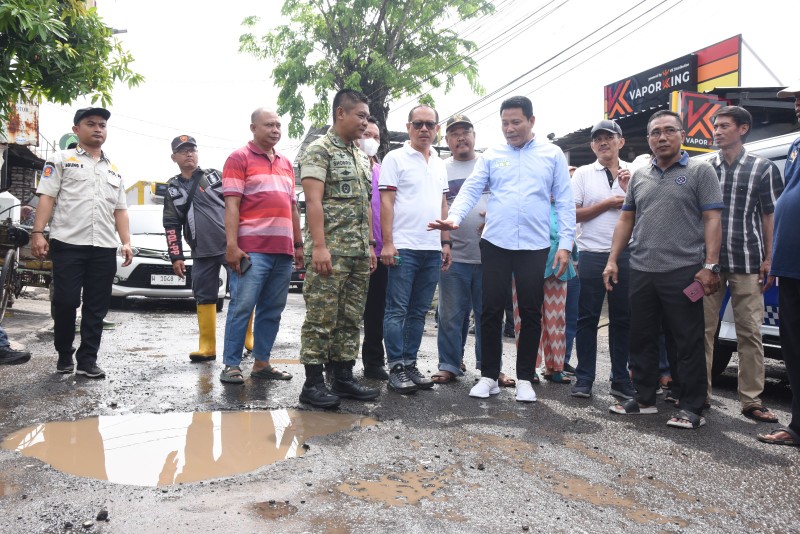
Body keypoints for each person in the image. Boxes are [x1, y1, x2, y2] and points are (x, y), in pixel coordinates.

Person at [431, 95, 575, 403]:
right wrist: (454, 217)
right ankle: (488, 376)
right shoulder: (493, 154)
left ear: (531, 121)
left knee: (531, 312)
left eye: (516, 122)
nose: (509, 129)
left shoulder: (552, 155)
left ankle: (525, 377)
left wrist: (565, 244)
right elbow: (471, 187)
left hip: (535, 245)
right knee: (491, 310)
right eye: (505, 123)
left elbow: (564, 200)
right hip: (495, 242)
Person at [605, 110, 723, 429]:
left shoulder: (700, 171)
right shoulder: (640, 175)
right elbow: (626, 219)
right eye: (655, 132)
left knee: (686, 341)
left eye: (669, 130)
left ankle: (691, 406)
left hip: (684, 270)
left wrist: (711, 265)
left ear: (682, 135)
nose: (662, 137)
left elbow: (713, 218)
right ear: (648, 139)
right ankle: (644, 398)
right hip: (642, 268)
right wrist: (613, 259)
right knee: (641, 337)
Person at [31, 107, 133, 378]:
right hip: (68, 244)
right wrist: (38, 233)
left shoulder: (114, 169)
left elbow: (120, 210)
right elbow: (47, 197)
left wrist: (126, 241)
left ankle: (88, 359)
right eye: (91, 124)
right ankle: (64, 352)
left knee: (96, 306)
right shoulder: (61, 159)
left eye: (102, 125)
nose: (98, 129)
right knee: (65, 301)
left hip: (103, 247)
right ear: (76, 129)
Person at [298, 89, 380, 407]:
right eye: (360, 115)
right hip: (329, 252)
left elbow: (365, 206)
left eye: (367, 116)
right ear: (340, 114)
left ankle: (343, 377)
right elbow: (314, 202)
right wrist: (319, 246)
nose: (365, 122)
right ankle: (313, 384)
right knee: (321, 318)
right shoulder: (320, 151)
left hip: (358, 252)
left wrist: (371, 245)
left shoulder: (360, 156)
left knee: (350, 319)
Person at [703, 106, 783, 422]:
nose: (717, 131)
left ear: (743, 128)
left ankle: (751, 400)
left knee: (749, 332)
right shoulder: (706, 169)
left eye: (724, 126)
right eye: (715, 126)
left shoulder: (763, 169)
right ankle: (701, 393)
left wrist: (769, 257)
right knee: (704, 330)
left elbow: (769, 215)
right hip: (710, 263)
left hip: (748, 261)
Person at [219, 108, 303, 384]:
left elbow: (292, 207)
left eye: (278, 125)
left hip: (282, 250)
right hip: (252, 249)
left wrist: (298, 245)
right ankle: (231, 364)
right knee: (242, 307)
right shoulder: (238, 158)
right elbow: (231, 205)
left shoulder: (286, 163)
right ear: (253, 128)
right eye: (269, 125)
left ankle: (262, 363)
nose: (275, 129)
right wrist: (231, 245)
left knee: (272, 310)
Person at [379, 104, 451, 393]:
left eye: (429, 124)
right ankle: (395, 366)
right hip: (403, 247)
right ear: (408, 127)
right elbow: (386, 202)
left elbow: (443, 204)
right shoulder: (395, 158)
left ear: (437, 129)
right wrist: (387, 242)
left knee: (419, 310)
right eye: (418, 124)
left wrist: (445, 242)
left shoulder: (438, 162)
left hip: (431, 249)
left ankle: (410, 363)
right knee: (397, 309)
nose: (424, 129)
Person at [432, 114, 508, 385]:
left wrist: (495, 216)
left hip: (491, 255)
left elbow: (508, 197)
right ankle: (450, 365)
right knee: (450, 314)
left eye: (466, 132)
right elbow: (436, 206)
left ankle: (490, 368)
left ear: (474, 136)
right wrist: (443, 242)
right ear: (447, 140)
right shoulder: (440, 168)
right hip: (454, 255)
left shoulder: (490, 163)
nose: (461, 137)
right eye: (454, 133)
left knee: (490, 315)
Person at [571, 120, 636, 399]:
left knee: (623, 319)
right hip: (591, 255)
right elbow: (573, 214)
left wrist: (629, 188)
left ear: (620, 141)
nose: (603, 142)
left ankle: (620, 379)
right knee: (586, 318)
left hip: (627, 255)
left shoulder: (636, 172)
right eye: (597, 139)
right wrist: (609, 203)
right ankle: (584, 378)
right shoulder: (583, 174)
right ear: (592, 145)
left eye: (609, 137)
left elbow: (646, 212)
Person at [163, 135, 233, 362]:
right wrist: (176, 256)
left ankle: (247, 338)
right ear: (174, 157)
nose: (189, 154)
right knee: (203, 296)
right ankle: (207, 347)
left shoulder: (214, 177)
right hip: (201, 251)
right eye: (183, 151)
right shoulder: (172, 188)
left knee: (244, 292)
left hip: (231, 246)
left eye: (192, 149)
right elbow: (171, 224)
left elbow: (237, 204)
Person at [759, 83, 800, 446]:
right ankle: (798, 426)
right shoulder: (795, 146)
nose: (798, 105)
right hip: (789, 266)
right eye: (797, 100)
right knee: (793, 347)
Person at [359, 116, 389, 380]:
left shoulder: (384, 171)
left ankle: (373, 362)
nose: (372, 140)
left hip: (381, 252)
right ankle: (338, 364)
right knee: (345, 312)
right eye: (367, 134)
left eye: (376, 137)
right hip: (352, 251)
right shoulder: (347, 168)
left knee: (376, 311)